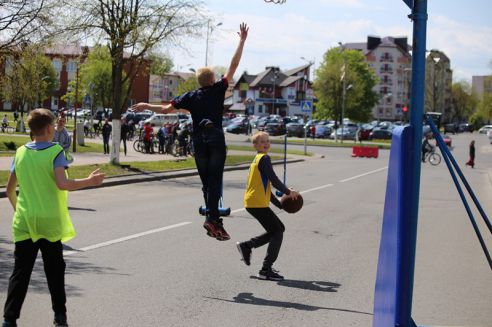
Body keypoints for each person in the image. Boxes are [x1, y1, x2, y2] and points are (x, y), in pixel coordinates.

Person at [132, 23, 249, 241]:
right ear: (213, 80)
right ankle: (213, 220)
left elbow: (166, 109)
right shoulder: (218, 90)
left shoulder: (190, 96)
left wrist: (146, 105)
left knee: (207, 183)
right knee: (215, 180)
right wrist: (241, 41)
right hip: (214, 139)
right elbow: (234, 66)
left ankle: (214, 220)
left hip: (198, 141)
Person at [2, 108, 105, 327]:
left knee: (20, 273)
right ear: (49, 128)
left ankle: (9, 319)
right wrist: (89, 181)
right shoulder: (55, 151)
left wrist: (19, 210)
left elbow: (10, 190)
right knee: (54, 272)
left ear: (32, 129)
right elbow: (62, 183)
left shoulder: (20, 152)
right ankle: (60, 317)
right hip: (49, 222)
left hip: (25, 222)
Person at [236, 131, 300, 281]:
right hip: (256, 203)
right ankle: (265, 269)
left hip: (254, 202)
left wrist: (280, 205)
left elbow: (267, 188)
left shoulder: (257, 160)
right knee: (278, 231)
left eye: (268, 141)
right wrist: (288, 191)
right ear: (255, 145)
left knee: (276, 230)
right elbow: (274, 179)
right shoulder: (264, 159)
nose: (266, 143)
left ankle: (248, 247)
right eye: (262, 141)